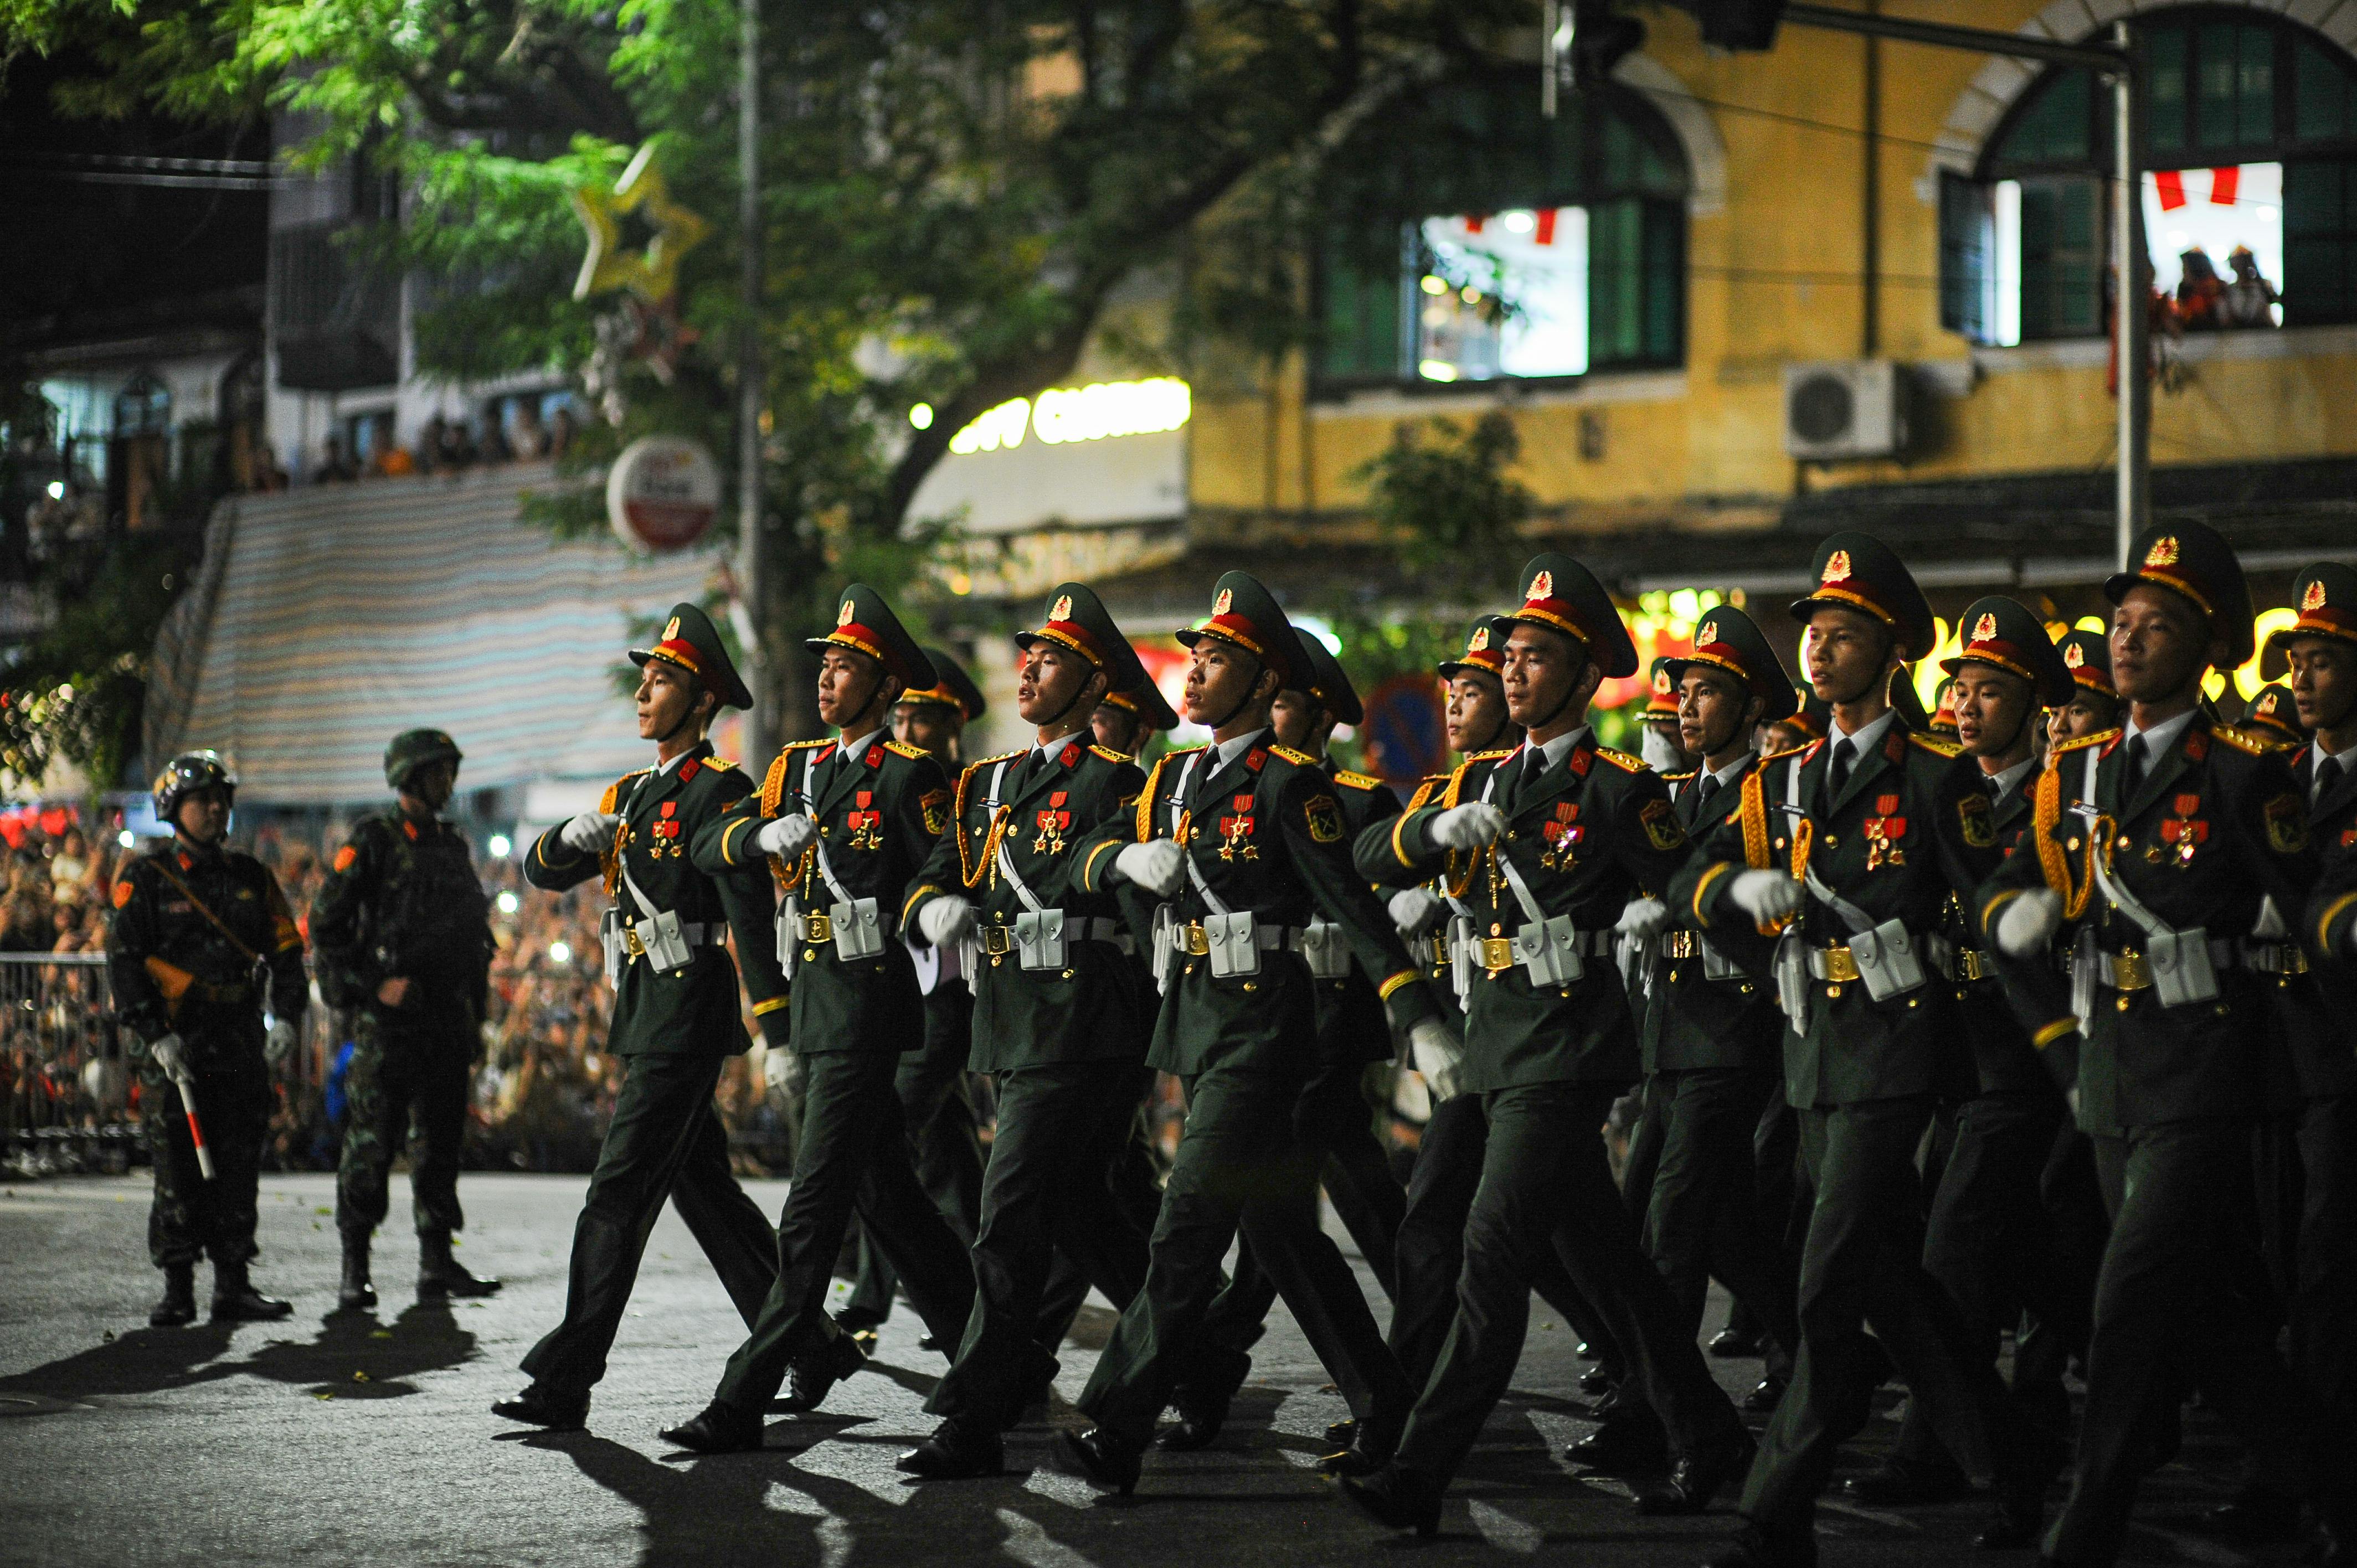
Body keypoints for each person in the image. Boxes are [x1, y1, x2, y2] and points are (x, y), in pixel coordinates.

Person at [1342, 555, 1749, 1536]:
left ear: (1580, 677)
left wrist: (1686, 911)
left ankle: (1416, 1473)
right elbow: (1363, 859)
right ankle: (1708, 1432)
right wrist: (1433, 827)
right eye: (1511, 656)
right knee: (1613, 1267)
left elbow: (1688, 871)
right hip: (1494, 1048)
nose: (1515, 673)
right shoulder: (1479, 776)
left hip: (1566, 1052)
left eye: (1537, 659)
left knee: (1491, 1255)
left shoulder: (1612, 788)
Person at [1672, 533, 2057, 1567]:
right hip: (1815, 1056)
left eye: (1843, 635)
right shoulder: (1785, 775)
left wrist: (2032, 982)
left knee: (1827, 1279)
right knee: (1897, 1282)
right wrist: (1731, 895)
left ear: (1891, 651)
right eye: (1813, 632)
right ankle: (2017, 1461)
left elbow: (1995, 890)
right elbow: (1690, 875)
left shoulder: (1933, 774)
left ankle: (1773, 1514)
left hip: (1901, 1049)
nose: (1819, 650)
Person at [1981, 524, 2349, 1567]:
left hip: (2209, 1064)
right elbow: (2017, 871)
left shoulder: (2240, 770)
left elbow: (2311, 895)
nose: (2128, 642)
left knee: (2131, 1297)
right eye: (2124, 623)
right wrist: (2015, 909)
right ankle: (2335, 1479)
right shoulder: (2087, 767)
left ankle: (2085, 1525)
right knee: (2204, 1325)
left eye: (2158, 626)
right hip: (2113, 1071)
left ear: (2209, 646)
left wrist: (2340, 930)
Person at [1052, 571, 1452, 1495]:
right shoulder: (1174, 777)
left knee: (1186, 1225)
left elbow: (1352, 906)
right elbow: (1078, 854)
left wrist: (1412, 1010)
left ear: (1265, 680)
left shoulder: (1289, 786)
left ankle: (1117, 1423)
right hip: (1197, 1026)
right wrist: (1120, 855)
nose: (1194, 672)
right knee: (1280, 1236)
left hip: (1266, 1033)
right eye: (1194, 654)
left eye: (1218, 657)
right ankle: (1387, 1401)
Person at [661, 585, 978, 1452]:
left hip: (871, 1013)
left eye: (848, 669)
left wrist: (927, 905)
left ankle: (743, 1398)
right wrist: (753, 842)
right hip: (815, 1010)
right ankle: (997, 1358)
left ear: (884, 692)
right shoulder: (796, 771)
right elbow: (705, 844)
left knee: (810, 1212)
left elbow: (947, 858)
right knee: (893, 1201)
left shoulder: (912, 778)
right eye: (826, 665)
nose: (828, 679)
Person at [493, 604, 790, 1431]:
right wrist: (566, 834)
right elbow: (543, 872)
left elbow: (750, 914)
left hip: (686, 1015)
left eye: (662, 682)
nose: (644, 693)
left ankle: (567, 1377)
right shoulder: (631, 793)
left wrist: (777, 1026)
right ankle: (810, 1343)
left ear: (702, 704)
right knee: (707, 1194)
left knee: (616, 1194)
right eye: (644, 678)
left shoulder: (725, 793)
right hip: (644, 1013)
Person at [894, 583, 1158, 1479]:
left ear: (1093, 686)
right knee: (1087, 1213)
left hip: (1086, 1018)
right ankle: (1198, 1355)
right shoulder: (988, 784)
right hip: (1012, 1022)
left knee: (1007, 1217)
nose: (1029, 669)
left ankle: (975, 1414)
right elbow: (935, 874)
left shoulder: (1125, 782)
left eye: (1050, 660)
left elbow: (1119, 880)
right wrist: (932, 909)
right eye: (1028, 655)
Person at [1847, 599, 2091, 1513]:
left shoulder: (2060, 794)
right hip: (1945, 1056)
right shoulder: (1937, 786)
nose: (1964, 705)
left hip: (2024, 1060)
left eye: (1990, 691)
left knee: (1954, 1246)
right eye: (1958, 686)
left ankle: (1937, 1449)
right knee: (2027, 1255)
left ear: (2035, 706)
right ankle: (2112, 1382)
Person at [1156, 628, 1414, 1449]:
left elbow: (1363, 901)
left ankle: (1422, 1332)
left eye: (1286, 704)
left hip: (1321, 1028)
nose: (1272, 714)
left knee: (1344, 1205)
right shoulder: (1208, 785)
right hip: (1246, 1022)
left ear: (1321, 716)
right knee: (1273, 1216)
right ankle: (1232, 1360)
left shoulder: (1354, 799)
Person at [1634, 606, 1804, 1417]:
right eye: (1685, 691)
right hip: (1673, 1024)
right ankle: (1812, 1350)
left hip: (1738, 1026)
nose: (1689, 707)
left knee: (1672, 1225)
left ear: (1752, 707)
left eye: (1707, 693)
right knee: (1729, 1226)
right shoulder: (1669, 796)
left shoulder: (1771, 795)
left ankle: (1658, 1411)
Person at [2228, 565, 2357, 1539]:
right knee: (2261, 1263)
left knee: (2324, 1269)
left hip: (2340, 1058)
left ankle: (2314, 1478)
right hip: (2259, 1056)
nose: (2304, 680)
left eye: (2322, 660)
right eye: (2296, 662)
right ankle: (2289, 1456)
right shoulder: (2270, 780)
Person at [105, 751, 308, 1325]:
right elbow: (124, 962)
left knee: (239, 1165)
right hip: (178, 1045)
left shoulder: (251, 877)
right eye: (202, 800)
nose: (216, 809)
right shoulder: (145, 879)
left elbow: (288, 954)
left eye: (222, 799)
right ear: (175, 809)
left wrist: (287, 1018)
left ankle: (233, 1283)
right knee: (178, 1166)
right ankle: (177, 1286)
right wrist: (152, 1033)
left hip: (240, 1038)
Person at [310, 728, 500, 1309]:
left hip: (444, 1020)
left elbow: (475, 941)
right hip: (390, 1025)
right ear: (412, 777)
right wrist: (373, 985)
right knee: (371, 1145)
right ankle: (355, 1267)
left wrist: (476, 1018)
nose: (449, 782)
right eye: (439, 771)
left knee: (440, 1146)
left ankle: (436, 1263)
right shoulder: (374, 841)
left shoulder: (450, 844)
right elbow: (326, 923)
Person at [835, 648, 991, 1348]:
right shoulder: (895, 780)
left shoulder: (965, 794)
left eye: (923, 719)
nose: (908, 729)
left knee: (887, 1133)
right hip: (901, 982)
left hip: (954, 986)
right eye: (901, 716)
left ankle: (871, 1298)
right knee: (951, 1153)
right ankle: (979, 1286)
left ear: (954, 721)